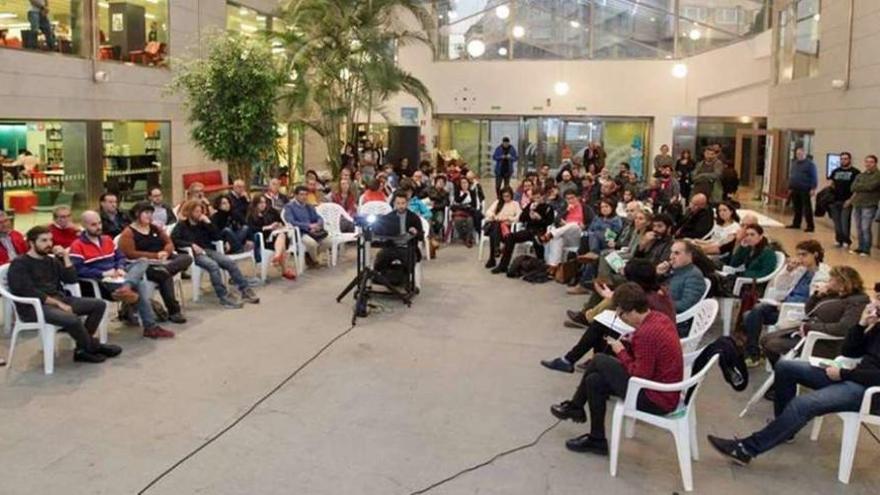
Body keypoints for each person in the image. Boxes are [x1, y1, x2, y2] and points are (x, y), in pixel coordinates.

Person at [707, 299, 880, 466]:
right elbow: (850, 351)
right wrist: (861, 325)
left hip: (869, 391)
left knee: (804, 404)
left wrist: (844, 374)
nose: (875, 303)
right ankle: (784, 429)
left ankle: (745, 449)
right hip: (854, 376)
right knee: (786, 367)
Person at [550, 283, 683, 456]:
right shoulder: (658, 318)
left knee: (599, 360)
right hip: (660, 388)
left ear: (632, 311)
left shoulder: (647, 334)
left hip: (656, 398)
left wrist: (621, 352)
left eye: (621, 314)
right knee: (594, 380)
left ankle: (576, 406)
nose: (621, 318)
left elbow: (639, 374)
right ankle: (596, 439)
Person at [8, 226, 120, 364]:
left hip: (59, 299)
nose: (49, 244)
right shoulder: (20, 263)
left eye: (50, 240)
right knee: (71, 319)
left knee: (98, 305)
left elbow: (71, 279)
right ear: (31, 243)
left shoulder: (50, 260)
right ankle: (92, 346)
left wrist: (66, 257)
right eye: (43, 240)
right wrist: (58, 304)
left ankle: (83, 349)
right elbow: (27, 290)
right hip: (33, 307)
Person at [544, 259, 676, 372]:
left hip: (648, 338)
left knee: (601, 324)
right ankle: (581, 360)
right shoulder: (657, 291)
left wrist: (610, 297)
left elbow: (636, 317)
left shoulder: (646, 298)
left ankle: (573, 360)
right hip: (656, 332)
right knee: (604, 321)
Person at [69, 211, 177, 338]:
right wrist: (103, 273)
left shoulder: (107, 239)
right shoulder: (77, 246)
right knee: (141, 284)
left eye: (99, 223)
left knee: (142, 261)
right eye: (94, 225)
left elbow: (120, 257)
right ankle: (150, 327)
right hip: (103, 283)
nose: (98, 227)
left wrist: (120, 267)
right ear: (84, 225)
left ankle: (127, 286)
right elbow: (78, 270)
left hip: (119, 276)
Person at [739, 240, 830, 367]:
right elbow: (779, 287)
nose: (800, 258)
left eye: (804, 255)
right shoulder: (801, 270)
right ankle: (754, 352)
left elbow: (813, 304)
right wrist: (787, 271)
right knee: (752, 313)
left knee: (751, 315)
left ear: (815, 254)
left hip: (796, 312)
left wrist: (784, 305)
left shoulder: (823, 276)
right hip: (783, 305)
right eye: (798, 255)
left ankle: (754, 353)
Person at [761, 266, 868, 369]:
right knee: (765, 339)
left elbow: (843, 328)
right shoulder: (835, 295)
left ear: (842, 283)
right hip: (808, 332)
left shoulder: (858, 301)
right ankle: (779, 372)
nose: (828, 282)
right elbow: (809, 311)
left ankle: (782, 374)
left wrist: (811, 327)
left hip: (825, 341)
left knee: (772, 344)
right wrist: (817, 295)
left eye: (831, 279)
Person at [171, 200, 260, 308]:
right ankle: (223, 296)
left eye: (200, 211)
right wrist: (191, 245)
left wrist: (208, 223)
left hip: (208, 250)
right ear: (190, 212)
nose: (199, 214)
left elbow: (217, 237)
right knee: (213, 266)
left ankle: (245, 290)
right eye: (196, 211)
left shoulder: (203, 223)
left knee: (230, 262)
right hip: (195, 254)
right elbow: (174, 240)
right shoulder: (182, 225)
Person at [119, 202, 191, 324]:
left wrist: (166, 252)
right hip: (144, 263)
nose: (149, 215)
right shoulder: (128, 232)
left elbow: (169, 242)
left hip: (163, 259)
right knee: (164, 275)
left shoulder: (154, 228)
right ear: (137, 214)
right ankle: (174, 311)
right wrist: (154, 256)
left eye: (151, 213)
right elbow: (129, 253)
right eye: (146, 213)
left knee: (186, 258)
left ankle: (164, 270)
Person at [491, 187, 555, 274]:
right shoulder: (531, 205)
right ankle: (503, 265)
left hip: (540, 231)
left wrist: (540, 218)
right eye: (535, 197)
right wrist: (529, 213)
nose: (537, 200)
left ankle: (540, 264)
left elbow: (549, 222)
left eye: (539, 197)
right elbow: (521, 218)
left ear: (543, 197)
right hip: (529, 230)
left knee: (537, 240)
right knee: (511, 237)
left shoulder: (548, 208)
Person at [656, 240, 710, 336]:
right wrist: (658, 274)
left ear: (689, 255)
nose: (671, 257)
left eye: (676, 253)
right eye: (671, 252)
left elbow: (686, 305)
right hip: (663, 315)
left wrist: (660, 302)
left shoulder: (694, 275)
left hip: (677, 323)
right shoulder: (674, 270)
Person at [372, 191, 424, 280]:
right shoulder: (389, 216)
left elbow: (421, 236)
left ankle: (407, 280)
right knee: (381, 257)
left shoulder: (413, 217)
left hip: (408, 247)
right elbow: (382, 231)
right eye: (398, 203)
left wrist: (416, 232)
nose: (401, 206)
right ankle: (385, 277)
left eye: (403, 203)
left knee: (409, 260)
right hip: (392, 246)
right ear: (394, 204)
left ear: (407, 203)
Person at [246, 196, 297, 280]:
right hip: (265, 240)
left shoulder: (271, 211)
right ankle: (283, 269)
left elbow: (281, 221)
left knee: (281, 235)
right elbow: (252, 229)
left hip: (276, 236)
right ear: (255, 204)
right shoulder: (251, 216)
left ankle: (277, 257)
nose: (263, 205)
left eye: (264, 202)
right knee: (282, 241)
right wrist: (268, 227)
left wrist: (279, 225)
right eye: (260, 203)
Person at [282, 186, 332, 268]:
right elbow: (291, 221)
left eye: (306, 194)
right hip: (300, 232)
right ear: (296, 195)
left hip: (314, 231)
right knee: (312, 244)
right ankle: (315, 261)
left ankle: (310, 257)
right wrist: (308, 226)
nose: (304, 197)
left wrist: (318, 225)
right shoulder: (289, 207)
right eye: (301, 194)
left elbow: (319, 217)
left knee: (329, 241)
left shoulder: (309, 206)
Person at [846, 154, 880, 257]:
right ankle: (860, 247)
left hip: (869, 205)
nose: (868, 164)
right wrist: (862, 186)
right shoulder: (861, 175)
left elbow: (871, 186)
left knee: (866, 228)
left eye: (871, 162)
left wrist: (860, 186)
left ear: (875, 163)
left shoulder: (878, 175)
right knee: (859, 227)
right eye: (867, 161)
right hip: (858, 204)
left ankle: (866, 250)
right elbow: (852, 187)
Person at [482, 187, 522, 269]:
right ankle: (496, 250)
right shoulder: (498, 202)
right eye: (504, 196)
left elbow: (519, 216)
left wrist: (508, 218)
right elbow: (488, 212)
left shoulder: (515, 204)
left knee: (494, 232)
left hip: (507, 228)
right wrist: (493, 216)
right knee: (496, 225)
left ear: (511, 195)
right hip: (496, 225)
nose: (506, 198)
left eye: (508, 196)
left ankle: (492, 258)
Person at [827, 152, 859, 248]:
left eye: (845, 159)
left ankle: (846, 240)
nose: (843, 160)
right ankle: (838, 239)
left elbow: (857, 189)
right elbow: (831, 183)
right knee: (837, 223)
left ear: (849, 160)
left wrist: (850, 200)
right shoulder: (836, 171)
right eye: (841, 159)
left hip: (847, 201)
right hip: (835, 200)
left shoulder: (855, 172)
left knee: (845, 222)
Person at [786, 147, 818, 232]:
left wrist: (813, 188)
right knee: (797, 208)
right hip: (795, 188)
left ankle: (810, 226)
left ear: (804, 154)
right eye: (797, 154)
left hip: (805, 189)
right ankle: (796, 223)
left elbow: (814, 177)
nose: (798, 156)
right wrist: (790, 187)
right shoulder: (794, 163)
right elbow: (792, 175)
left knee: (807, 208)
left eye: (800, 154)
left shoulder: (810, 164)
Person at [450, 176, 480, 247]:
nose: (464, 185)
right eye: (462, 183)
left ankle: (468, 239)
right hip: (460, 211)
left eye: (465, 183)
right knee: (457, 221)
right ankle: (464, 236)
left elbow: (474, 204)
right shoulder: (458, 192)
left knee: (470, 221)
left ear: (468, 184)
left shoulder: (472, 192)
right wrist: (465, 194)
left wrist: (466, 204)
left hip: (469, 212)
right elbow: (458, 200)